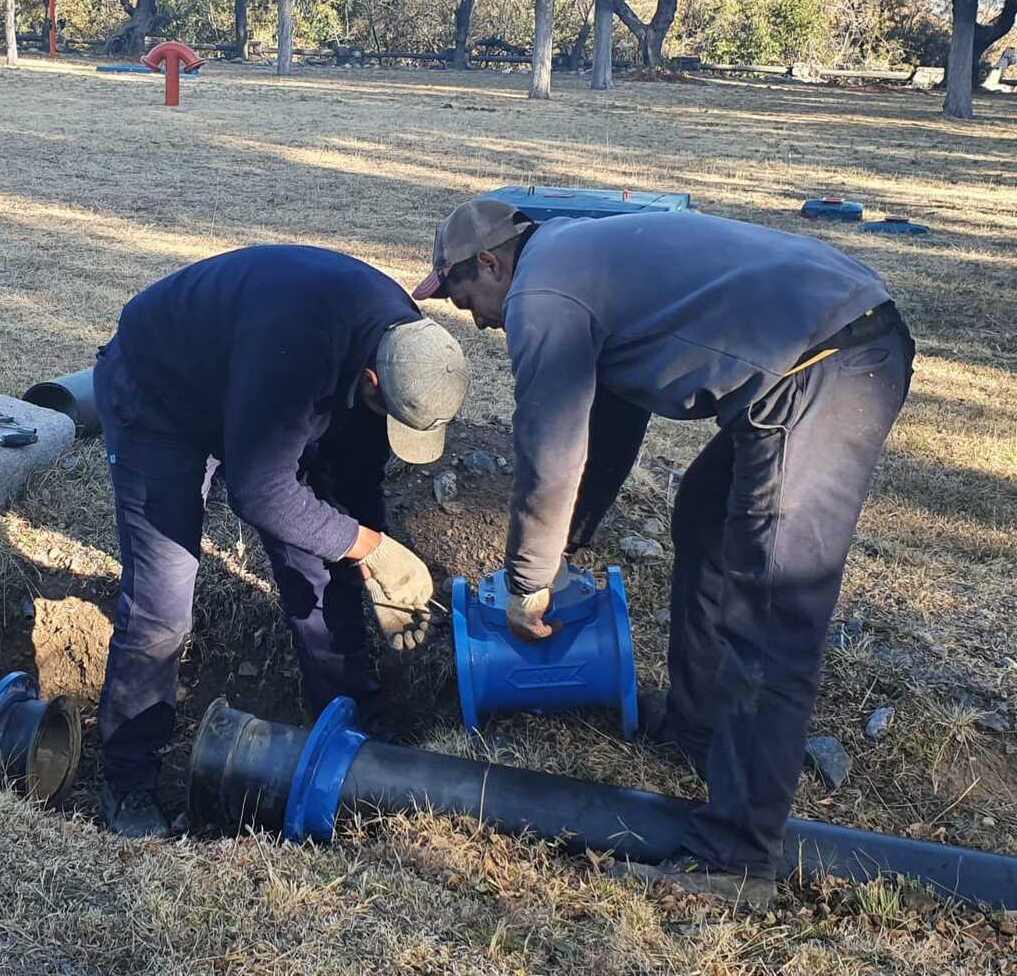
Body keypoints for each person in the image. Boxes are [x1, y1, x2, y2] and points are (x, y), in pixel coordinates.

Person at [412, 196, 914, 907]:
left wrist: (527, 585)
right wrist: (568, 544)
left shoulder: (541, 295)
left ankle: (735, 861)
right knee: (705, 519)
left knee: (771, 611)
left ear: (489, 262)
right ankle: (698, 727)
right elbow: (612, 423)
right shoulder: (577, 260)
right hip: (822, 341)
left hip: (827, 363)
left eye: (466, 299)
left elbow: (549, 451)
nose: (480, 320)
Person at [95, 245, 469, 838]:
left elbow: (356, 480)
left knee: (323, 555)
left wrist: (372, 561)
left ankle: (348, 722)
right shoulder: (298, 350)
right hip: (160, 396)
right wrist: (369, 546)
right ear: (371, 379)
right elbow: (260, 492)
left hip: (255, 392)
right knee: (163, 605)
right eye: (386, 410)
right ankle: (128, 781)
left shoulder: (406, 343)